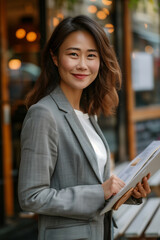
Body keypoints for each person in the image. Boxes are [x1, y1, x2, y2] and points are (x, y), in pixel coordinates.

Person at [18, 15, 151, 240]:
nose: (82, 64)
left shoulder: (88, 114)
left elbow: (90, 187)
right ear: (55, 57)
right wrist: (100, 191)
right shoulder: (43, 114)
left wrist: (125, 193)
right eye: (73, 54)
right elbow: (32, 196)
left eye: (91, 55)